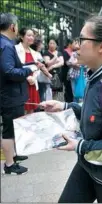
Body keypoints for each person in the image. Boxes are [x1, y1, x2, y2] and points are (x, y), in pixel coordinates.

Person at [40, 16, 102, 203]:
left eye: (81, 39)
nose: (76, 46)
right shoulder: (94, 76)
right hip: (88, 163)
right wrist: (64, 106)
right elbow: (95, 113)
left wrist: (79, 146)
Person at [0, 13, 39, 174]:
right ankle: (9, 165)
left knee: (12, 127)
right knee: (8, 130)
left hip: (11, 95)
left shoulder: (5, 43)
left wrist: (26, 67)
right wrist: (27, 70)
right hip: (10, 95)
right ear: (12, 26)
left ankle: (13, 156)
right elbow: (9, 71)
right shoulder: (6, 45)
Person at [15, 28, 41, 114]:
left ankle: (30, 127)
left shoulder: (34, 53)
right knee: (20, 110)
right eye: (29, 35)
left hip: (32, 83)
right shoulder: (15, 49)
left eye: (33, 36)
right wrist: (27, 77)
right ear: (22, 37)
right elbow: (15, 67)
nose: (31, 38)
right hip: (21, 82)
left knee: (31, 110)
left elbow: (37, 68)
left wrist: (34, 77)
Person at [30, 34, 52, 102]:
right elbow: (42, 66)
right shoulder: (37, 54)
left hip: (31, 78)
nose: (42, 45)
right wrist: (49, 75)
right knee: (40, 98)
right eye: (41, 43)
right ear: (37, 44)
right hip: (38, 79)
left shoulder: (29, 52)